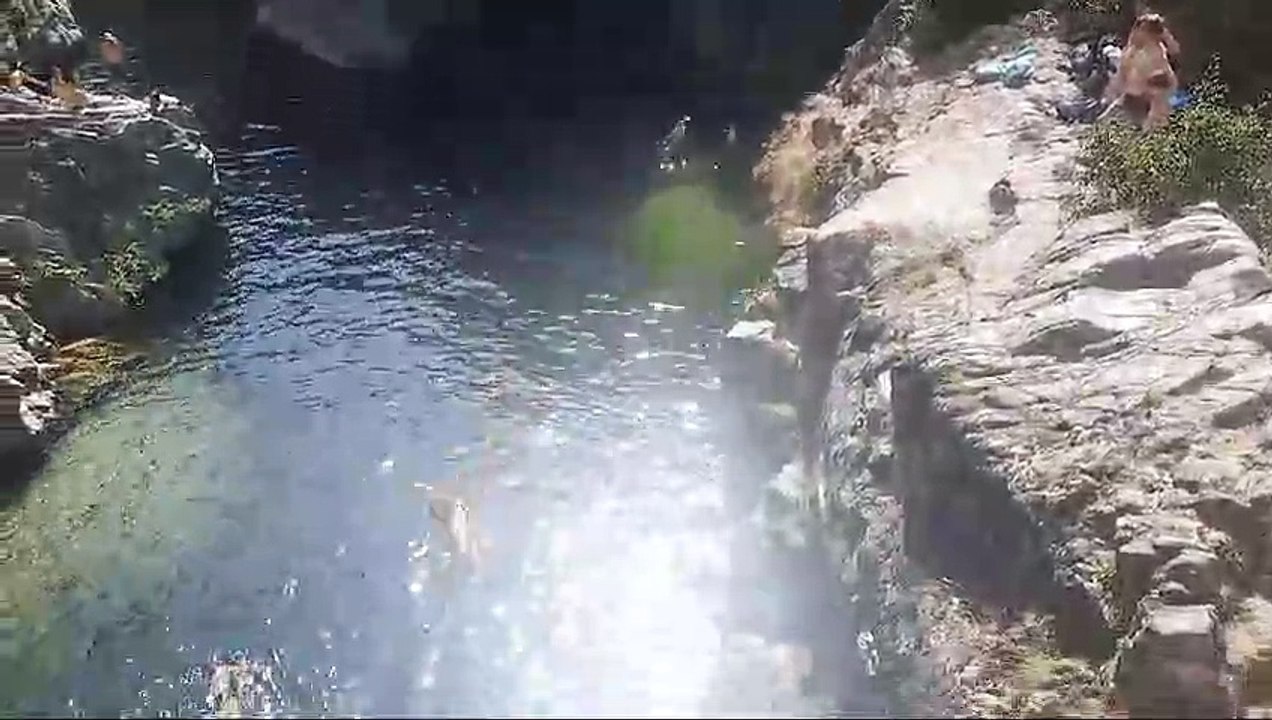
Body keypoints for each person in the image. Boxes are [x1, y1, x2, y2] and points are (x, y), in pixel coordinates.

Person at [1104, 10, 1181, 130]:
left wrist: (1164, 33)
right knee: (1107, 125)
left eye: (1142, 30)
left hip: (1151, 101)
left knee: (1148, 130)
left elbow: (1173, 51)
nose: (1137, 33)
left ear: (1150, 33)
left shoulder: (1156, 49)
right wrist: (1114, 89)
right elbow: (1123, 71)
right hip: (1130, 98)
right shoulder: (1132, 50)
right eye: (1137, 29)